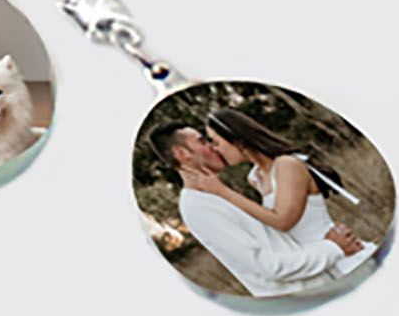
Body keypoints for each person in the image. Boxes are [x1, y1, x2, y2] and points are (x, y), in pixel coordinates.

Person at [152, 122, 373, 299]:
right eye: (202, 141)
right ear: (181, 153)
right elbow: (268, 267)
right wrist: (333, 248)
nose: (212, 147)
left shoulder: (216, 193)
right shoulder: (198, 207)